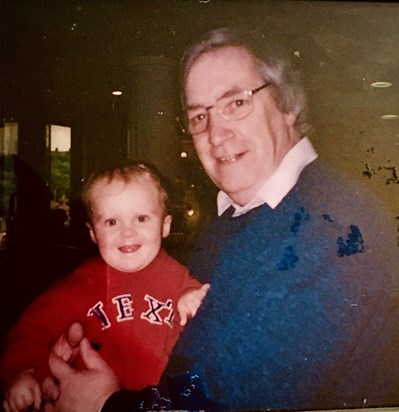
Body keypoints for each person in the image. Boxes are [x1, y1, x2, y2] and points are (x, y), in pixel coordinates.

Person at [48, 27, 399, 411]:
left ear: (288, 104)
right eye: (199, 115)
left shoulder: (330, 227)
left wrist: (104, 404)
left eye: (236, 103)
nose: (216, 133)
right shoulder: (236, 219)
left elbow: (232, 402)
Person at [0, 161, 209, 412]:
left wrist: (192, 298)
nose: (127, 233)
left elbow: (201, 311)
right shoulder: (81, 284)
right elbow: (30, 331)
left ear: (165, 225)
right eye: (111, 222)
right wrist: (25, 373)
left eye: (141, 218)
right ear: (93, 233)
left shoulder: (179, 278)